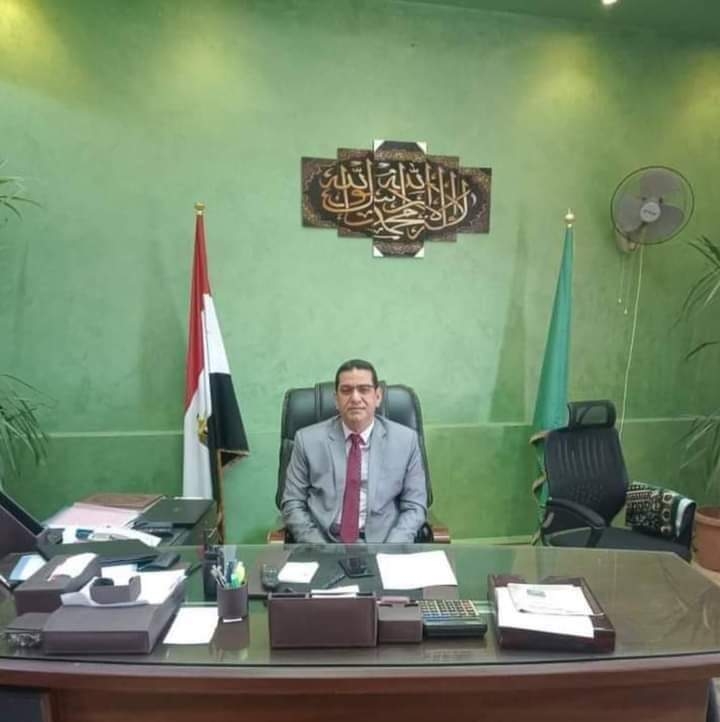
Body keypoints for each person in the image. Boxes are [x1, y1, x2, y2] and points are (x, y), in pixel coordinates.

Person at [281, 359, 427, 543]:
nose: (355, 398)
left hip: (384, 542)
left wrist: (391, 549)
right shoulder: (307, 440)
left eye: (364, 389)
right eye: (346, 390)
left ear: (378, 396)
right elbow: (292, 503)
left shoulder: (406, 441)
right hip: (324, 542)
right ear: (336, 399)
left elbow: (415, 506)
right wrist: (319, 547)